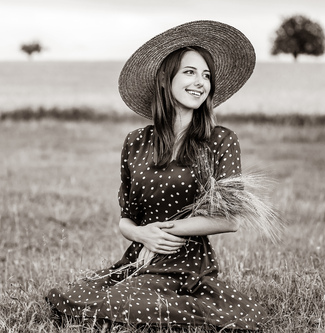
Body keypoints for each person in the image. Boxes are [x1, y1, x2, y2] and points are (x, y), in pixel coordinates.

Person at [46, 20, 270, 331]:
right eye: (189, 72)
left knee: (120, 303)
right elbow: (127, 219)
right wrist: (142, 235)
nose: (200, 82)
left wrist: (162, 232)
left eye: (206, 75)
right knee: (75, 298)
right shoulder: (136, 141)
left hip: (187, 262)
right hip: (137, 259)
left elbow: (229, 220)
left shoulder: (221, 140)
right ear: (165, 79)